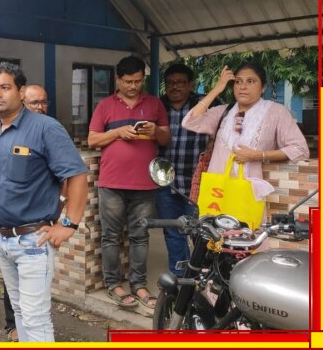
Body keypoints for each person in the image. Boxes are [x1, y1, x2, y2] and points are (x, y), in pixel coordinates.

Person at [0, 62, 88, 342]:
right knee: (18, 312)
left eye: (5, 87)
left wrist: (69, 224)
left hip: (32, 243)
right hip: (3, 240)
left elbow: (76, 175)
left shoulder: (45, 128)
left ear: (20, 90)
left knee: (35, 318)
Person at [87, 55, 170, 310]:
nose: (134, 86)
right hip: (112, 183)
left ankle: (140, 285)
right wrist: (117, 133)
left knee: (140, 237)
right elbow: (92, 140)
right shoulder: (105, 106)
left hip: (145, 184)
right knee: (111, 237)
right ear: (118, 79)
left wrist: (155, 132)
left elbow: (166, 139)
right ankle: (113, 284)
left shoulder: (154, 104)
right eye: (128, 81)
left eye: (138, 81)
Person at [182, 62, 309, 223]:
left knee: (247, 240)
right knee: (215, 239)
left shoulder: (276, 112)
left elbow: (300, 149)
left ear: (263, 87)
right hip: (218, 191)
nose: (243, 87)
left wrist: (257, 155)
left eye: (250, 81)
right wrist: (217, 89)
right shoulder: (224, 111)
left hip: (248, 193)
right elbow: (190, 122)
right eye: (238, 81)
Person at [157, 64, 219, 276]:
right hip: (166, 182)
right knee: (173, 231)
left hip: (198, 182)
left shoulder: (206, 105)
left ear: (190, 85)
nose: (175, 87)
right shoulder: (159, 105)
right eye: (171, 83)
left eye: (181, 83)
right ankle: (180, 278)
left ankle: (205, 278)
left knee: (201, 232)